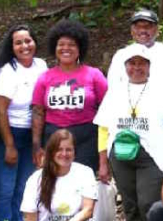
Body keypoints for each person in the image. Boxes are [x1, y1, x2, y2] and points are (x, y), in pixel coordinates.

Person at [95, 44, 163, 221]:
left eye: (141, 63)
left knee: (147, 204)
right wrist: (103, 161)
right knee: (130, 205)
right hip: (120, 154)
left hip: (152, 156)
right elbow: (103, 127)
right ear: (125, 66)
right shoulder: (115, 91)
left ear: (149, 66)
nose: (136, 68)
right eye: (132, 63)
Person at [0, 24, 48, 221]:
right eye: (18, 42)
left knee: (23, 190)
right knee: (4, 190)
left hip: (32, 134)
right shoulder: (7, 71)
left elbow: (39, 106)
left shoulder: (41, 66)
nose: (25, 46)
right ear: (11, 47)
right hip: (8, 134)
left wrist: (37, 144)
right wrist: (9, 145)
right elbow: (0, 110)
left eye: (28, 40)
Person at [31, 19, 108, 180]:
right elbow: (38, 112)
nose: (66, 48)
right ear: (54, 48)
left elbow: (108, 111)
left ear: (80, 48)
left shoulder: (94, 75)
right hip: (53, 137)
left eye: (71, 44)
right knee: (54, 182)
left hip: (86, 138)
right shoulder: (44, 77)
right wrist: (37, 146)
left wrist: (104, 155)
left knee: (84, 181)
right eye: (61, 44)